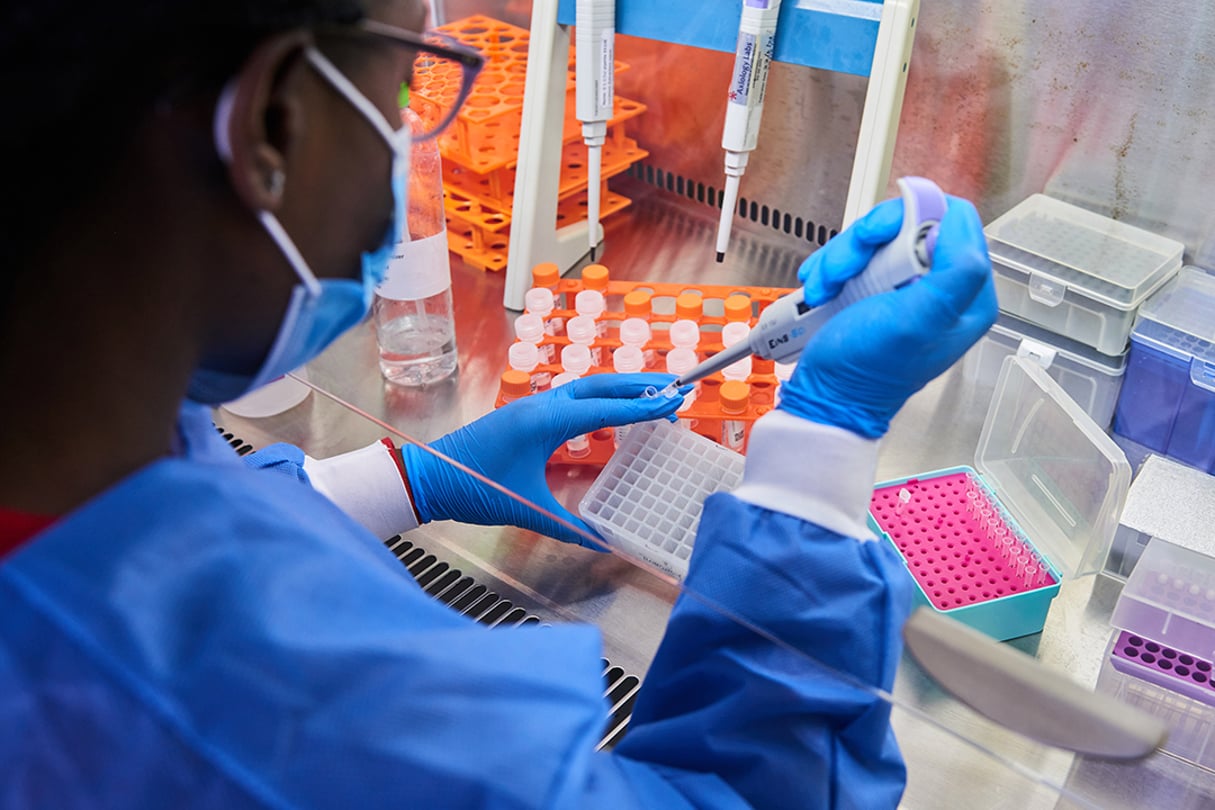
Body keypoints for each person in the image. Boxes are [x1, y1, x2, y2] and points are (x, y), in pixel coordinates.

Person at [0, 0, 997, 806]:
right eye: (401, 92)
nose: (405, 140)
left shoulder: (76, 452)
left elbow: (143, 536)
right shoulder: (291, 715)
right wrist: (826, 434)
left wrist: (410, 476)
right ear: (271, 122)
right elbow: (738, 795)